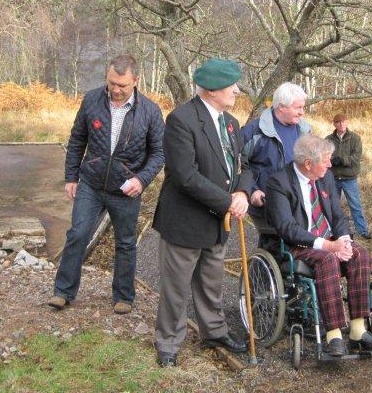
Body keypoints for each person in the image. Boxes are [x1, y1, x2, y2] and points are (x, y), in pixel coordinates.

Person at [152, 58, 252, 367]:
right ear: (211, 90)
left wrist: (243, 192)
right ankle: (168, 343)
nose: (236, 90)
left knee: (212, 281)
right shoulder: (181, 120)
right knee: (176, 288)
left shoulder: (231, 123)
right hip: (184, 220)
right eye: (230, 86)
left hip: (216, 223)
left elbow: (243, 165)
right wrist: (227, 201)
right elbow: (185, 176)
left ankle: (214, 331)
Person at [48, 54, 165, 314]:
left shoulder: (150, 111)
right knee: (77, 235)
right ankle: (63, 292)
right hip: (91, 183)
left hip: (126, 189)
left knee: (125, 242)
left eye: (122, 85)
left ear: (135, 80)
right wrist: (70, 176)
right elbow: (77, 139)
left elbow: (159, 153)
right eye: (111, 82)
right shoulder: (92, 100)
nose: (115, 89)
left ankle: (123, 297)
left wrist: (141, 179)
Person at [266, 134, 372, 355]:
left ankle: (358, 330)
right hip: (299, 245)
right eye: (326, 160)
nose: (331, 164)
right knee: (328, 259)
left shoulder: (326, 177)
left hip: (329, 240)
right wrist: (326, 246)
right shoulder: (279, 182)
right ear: (308, 164)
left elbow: (337, 215)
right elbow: (287, 227)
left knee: (360, 255)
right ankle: (334, 335)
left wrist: (343, 240)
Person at [241, 82, 311, 249]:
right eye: (298, 108)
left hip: (297, 203)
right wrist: (252, 190)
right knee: (274, 246)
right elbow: (238, 164)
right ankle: (261, 272)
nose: (302, 112)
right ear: (281, 106)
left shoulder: (304, 131)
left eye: (303, 107)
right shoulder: (255, 131)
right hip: (267, 203)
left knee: (297, 246)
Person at [325, 113, 371, 239]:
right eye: (338, 122)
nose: (342, 124)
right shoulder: (328, 139)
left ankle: (362, 231)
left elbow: (356, 157)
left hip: (349, 178)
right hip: (333, 178)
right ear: (334, 124)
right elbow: (324, 155)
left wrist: (341, 160)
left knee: (355, 206)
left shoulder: (355, 138)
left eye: (344, 121)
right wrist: (332, 160)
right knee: (331, 205)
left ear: (347, 122)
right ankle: (331, 231)